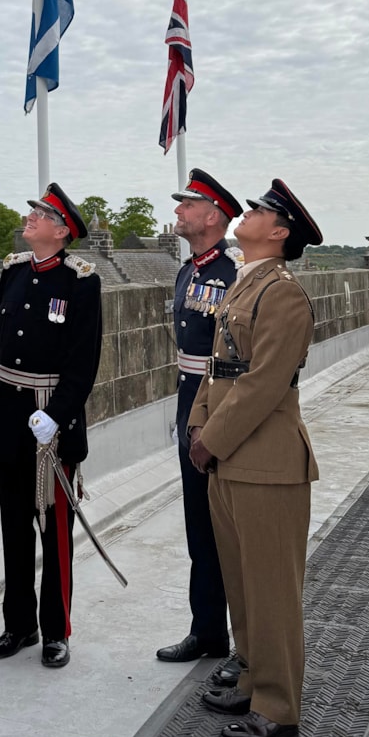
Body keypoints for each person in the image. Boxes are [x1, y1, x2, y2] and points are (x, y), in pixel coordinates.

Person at [189, 179, 322, 737]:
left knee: (271, 590)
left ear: (279, 231)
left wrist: (212, 439)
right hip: (231, 458)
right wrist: (199, 423)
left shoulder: (283, 293)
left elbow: (265, 382)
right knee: (242, 585)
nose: (248, 213)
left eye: (261, 211)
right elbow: (217, 367)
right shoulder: (247, 282)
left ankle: (278, 705)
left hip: (267, 460)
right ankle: (250, 678)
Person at [0, 183, 102, 669]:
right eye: (33, 211)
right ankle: (19, 624)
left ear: (61, 230)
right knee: (14, 527)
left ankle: (55, 629)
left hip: (51, 419)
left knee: (54, 534)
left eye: (41, 214)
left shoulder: (80, 281)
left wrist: (56, 417)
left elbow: (83, 362)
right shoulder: (12, 271)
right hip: (10, 416)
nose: (30, 217)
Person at [154, 168, 242, 665]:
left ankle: (248, 645)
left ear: (212, 216)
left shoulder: (235, 273)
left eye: (187, 205)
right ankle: (207, 630)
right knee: (199, 527)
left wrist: (217, 421)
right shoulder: (187, 271)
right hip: (190, 405)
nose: (178, 211)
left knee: (233, 531)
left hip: (223, 410)